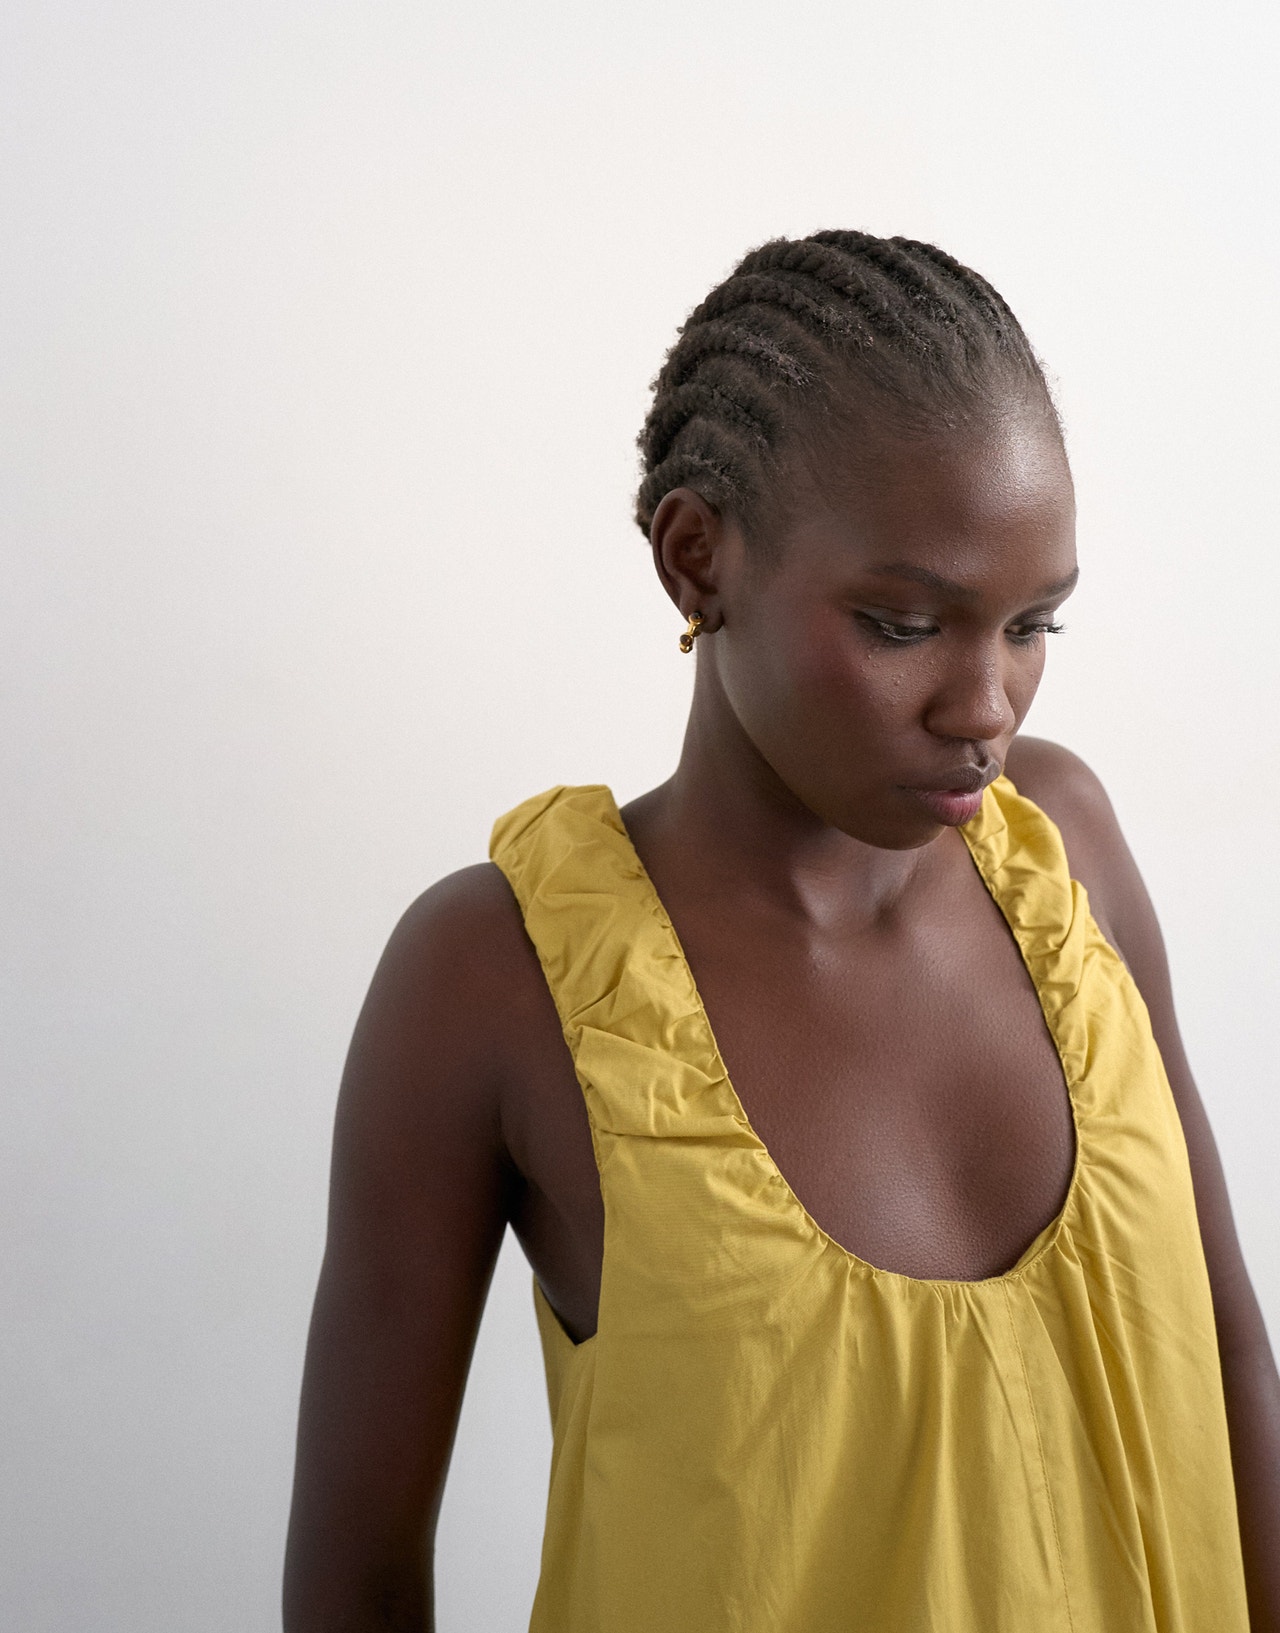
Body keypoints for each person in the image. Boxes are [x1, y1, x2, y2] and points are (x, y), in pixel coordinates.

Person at [282, 231, 1279, 1632]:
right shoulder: (496, 978)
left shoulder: (1071, 857)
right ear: (698, 558)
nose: (986, 707)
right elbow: (360, 1583)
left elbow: (1228, 1361)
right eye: (903, 624)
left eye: (1033, 625)